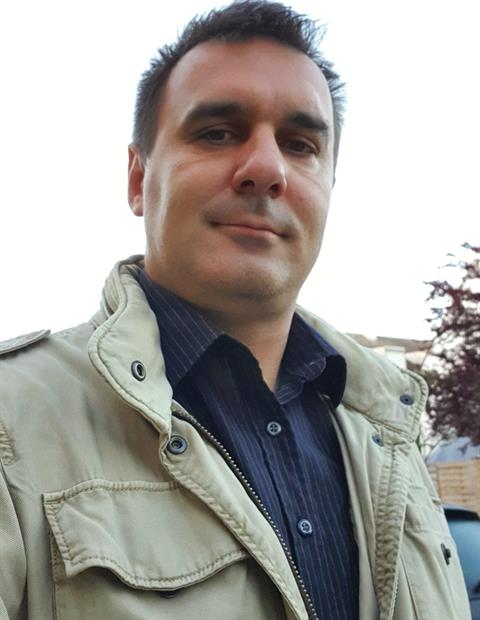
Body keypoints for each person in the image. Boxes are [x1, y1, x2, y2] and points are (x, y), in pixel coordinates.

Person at [0, 2, 471, 619]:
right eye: (217, 133)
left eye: (300, 145)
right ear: (138, 180)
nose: (267, 169)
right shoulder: (13, 421)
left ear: (328, 189)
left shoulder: (389, 430)